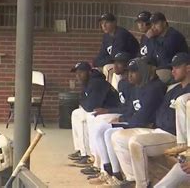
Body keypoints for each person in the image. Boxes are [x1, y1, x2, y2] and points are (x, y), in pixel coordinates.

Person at [111, 53, 190, 188]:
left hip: (173, 135)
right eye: (172, 67)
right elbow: (160, 111)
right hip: (159, 130)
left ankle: (142, 184)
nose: (173, 71)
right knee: (117, 137)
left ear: (188, 68)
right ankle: (132, 178)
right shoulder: (174, 89)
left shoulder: (185, 95)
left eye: (177, 67)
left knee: (136, 143)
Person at [80, 52, 134, 177]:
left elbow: (129, 108)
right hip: (120, 112)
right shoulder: (122, 83)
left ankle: (105, 170)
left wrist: (108, 111)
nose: (115, 66)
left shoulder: (132, 85)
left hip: (125, 116)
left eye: (119, 63)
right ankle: (103, 167)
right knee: (95, 119)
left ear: (127, 66)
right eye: (114, 62)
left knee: (99, 121)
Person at [68, 61, 119, 167]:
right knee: (76, 113)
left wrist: (84, 103)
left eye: (81, 72)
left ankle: (90, 156)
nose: (78, 76)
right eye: (76, 73)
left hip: (113, 110)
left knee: (88, 116)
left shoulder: (96, 82)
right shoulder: (87, 82)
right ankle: (82, 150)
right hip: (103, 110)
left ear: (89, 72)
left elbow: (91, 106)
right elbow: (83, 102)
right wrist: (84, 103)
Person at [93, 13, 140, 82]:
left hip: (130, 62)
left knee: (107, 68)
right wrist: (96, 62)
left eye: (107, 23)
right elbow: (101, 55)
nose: (104, 25)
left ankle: (111, 92)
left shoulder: (121, 34)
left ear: (114, 22)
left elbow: (116, 57)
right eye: (102, 23)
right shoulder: (106, 36)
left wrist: (101, 62)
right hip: (117, 62)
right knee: (95, 69)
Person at [148, 12, 188, 84]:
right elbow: (150, 57)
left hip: (174, 69)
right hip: (162, 68)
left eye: (156, 24)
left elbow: (163, 56)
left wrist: (151, 39)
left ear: (164, 23)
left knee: (156, 78)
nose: (153, 27)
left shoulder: (173, 36)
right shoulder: (157, 36)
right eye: (152, 24)